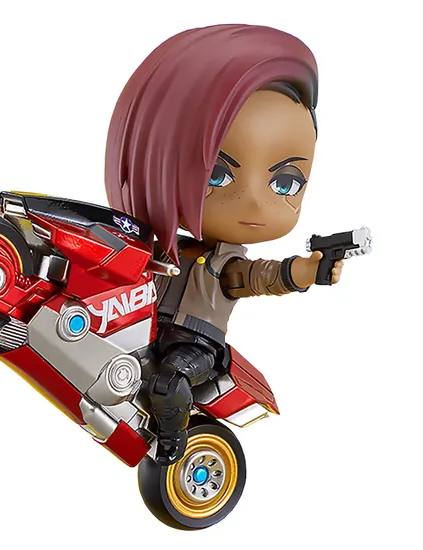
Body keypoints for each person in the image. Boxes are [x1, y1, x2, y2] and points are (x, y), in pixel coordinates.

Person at [105, 24, 344, 465]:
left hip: (196, 346)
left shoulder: (225, 264)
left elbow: (259, 276)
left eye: (285, 182)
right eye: (217, 174)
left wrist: (305, 271)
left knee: (169, 382)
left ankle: (172, 445)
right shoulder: (160, 247)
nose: (253, 201)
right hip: (142, 326)